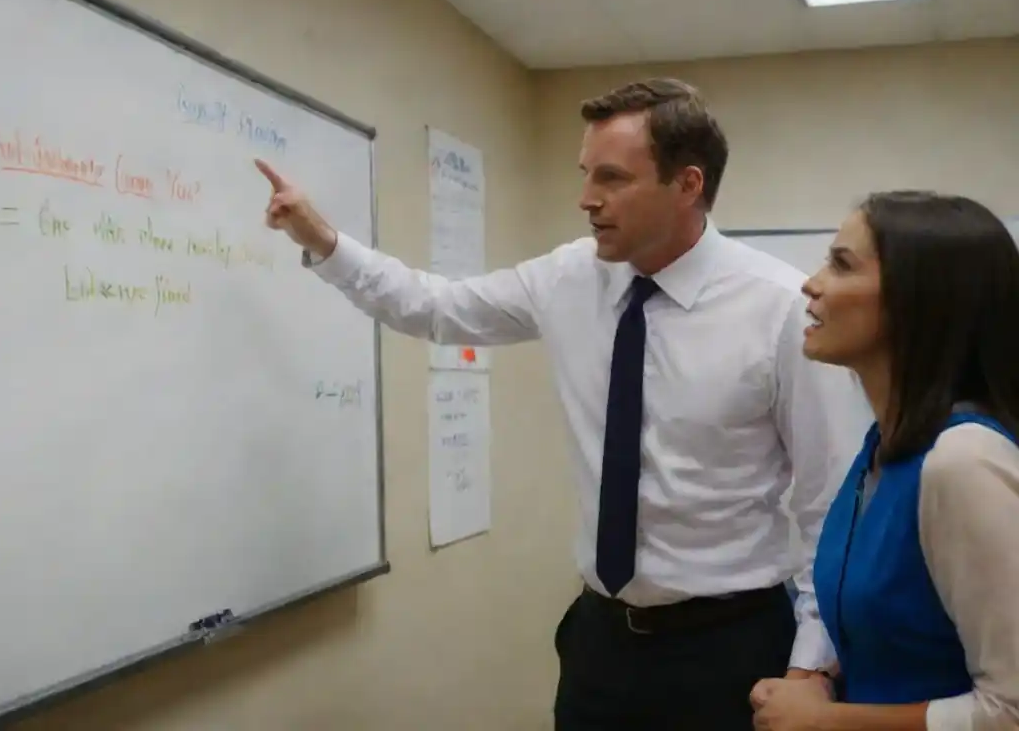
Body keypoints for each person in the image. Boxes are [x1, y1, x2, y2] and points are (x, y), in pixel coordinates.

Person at [256, 78, 868, 729]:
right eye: (585, 175)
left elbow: (832, 503)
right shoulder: (569, 278)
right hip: (600, 640)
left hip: (732, 643)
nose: (586, 199)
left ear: (687, 185)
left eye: (612, 178)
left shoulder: (780, 310)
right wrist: (323, 240)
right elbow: (435, 308)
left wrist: (809, 666)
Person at [749, 191, 1019, 730]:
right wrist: (825, 679)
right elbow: (903, 636)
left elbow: (1010, 710)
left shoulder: (962, 462)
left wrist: (830, 720)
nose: (811, 282)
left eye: (841, 264)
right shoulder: (880, 448)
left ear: (917, 299)